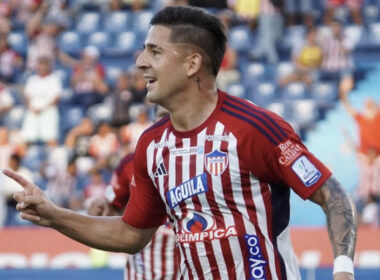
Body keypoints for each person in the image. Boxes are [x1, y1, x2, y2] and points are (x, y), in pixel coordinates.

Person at [8, 6, 356, 280]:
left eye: (155, 52)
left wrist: (342, 271)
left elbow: (332, 195)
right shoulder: (151, 146)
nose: (140, 61)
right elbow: (131, 235)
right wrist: (56, 216)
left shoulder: (255, 129)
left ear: (192, 64)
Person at [88, 152, 179, 279]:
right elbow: (112, 207)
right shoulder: (131, 162)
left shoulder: (203, 156)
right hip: (143, 271)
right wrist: (102, 208)